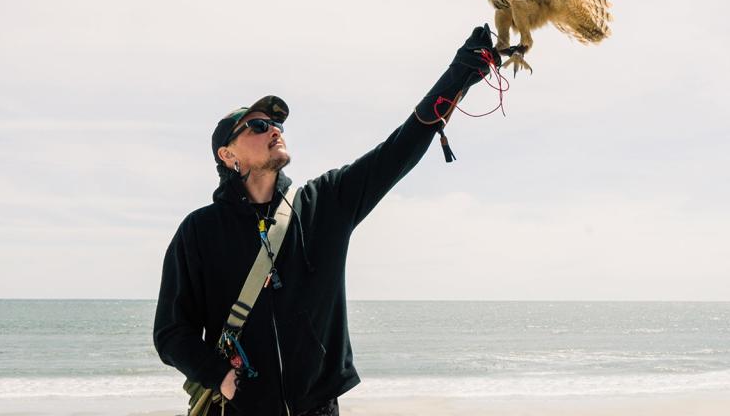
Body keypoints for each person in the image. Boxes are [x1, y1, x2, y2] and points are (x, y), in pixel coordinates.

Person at [154, 26, 500, 416]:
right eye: (257, 126)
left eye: (277, 125)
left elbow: (401, 147)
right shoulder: (199, 232)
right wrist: (219, 376)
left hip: (319, 409)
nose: (273, 130)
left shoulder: (325, 203)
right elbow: (171, 332)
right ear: (227, 154)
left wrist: (462, 71)